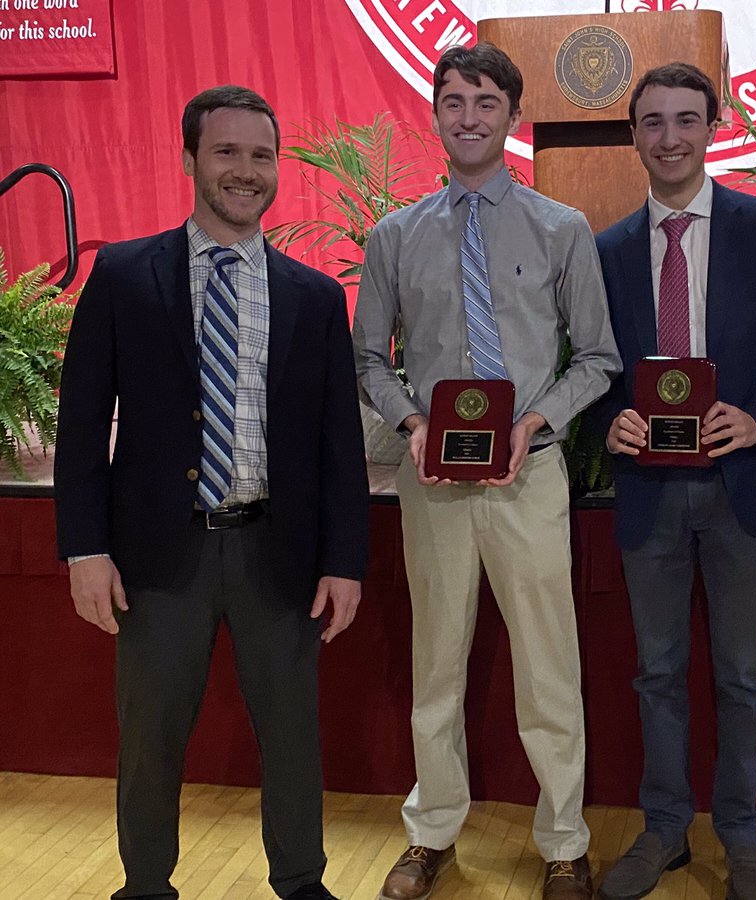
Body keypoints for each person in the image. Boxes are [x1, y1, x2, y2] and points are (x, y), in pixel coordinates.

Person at [54, 85, 369, 900]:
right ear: (190, 158)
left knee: (294, 740)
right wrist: (84, 549)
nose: (245, 171)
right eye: (226, 152)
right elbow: (83, 423)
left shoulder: (315, 296)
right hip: (161, 554)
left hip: (280, 551)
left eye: (261, 155)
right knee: (150, 742)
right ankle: (146, 887)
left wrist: (346, 561)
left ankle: (302, 883)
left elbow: (339, 445)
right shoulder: (125, 275)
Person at [353, 42, 620, 900]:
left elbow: (600, 358)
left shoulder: (560, 228)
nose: (467, 116)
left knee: (549, 666)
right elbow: (369, 360)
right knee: (437, 664)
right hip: (433, 481)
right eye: (453, 101)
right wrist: (414, 422)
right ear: (435, 113)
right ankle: (431, 832)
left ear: (512, 116)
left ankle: (565, 844)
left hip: (527, 475)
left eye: (484, 102)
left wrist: (535, 419)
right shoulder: (395, 235)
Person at [593, 63, 756, 900]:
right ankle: (664, 831)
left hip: (742, 485)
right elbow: (597, 368)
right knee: (656, 672)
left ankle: (741, 835)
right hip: (649, 490)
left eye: (686, 120)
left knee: (741, 676)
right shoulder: (609, 248)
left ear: (714, 126)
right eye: (652, 122)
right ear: (634, 137)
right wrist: (609, 416)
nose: (669, 138)